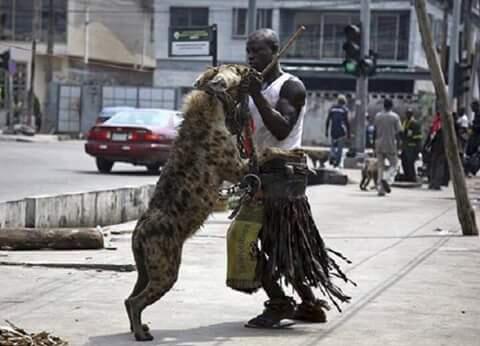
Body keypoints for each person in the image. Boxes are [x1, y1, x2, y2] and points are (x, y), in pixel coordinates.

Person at [240, 28, 351, 329]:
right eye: (248, 51)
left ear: (275, 51)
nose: (250, 56)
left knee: (255, 240)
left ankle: (279, 302)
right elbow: (245, 130)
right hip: (260, 172)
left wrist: (254, 95)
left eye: (257, 51)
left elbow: (281, 130)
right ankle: (310, 304)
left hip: (284, 175)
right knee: (276, 243)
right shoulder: (255, 85)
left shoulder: (291, 86)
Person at [374, 98, 402, 196]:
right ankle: (386, 178)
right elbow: (399, 132)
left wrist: (374, 143)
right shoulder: (395, 117)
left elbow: (375, 130)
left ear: (383, 105)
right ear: (391, 106)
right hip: (390, 144)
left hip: (379, 143)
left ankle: (380, 189)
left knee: (380, 166)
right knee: (395, 164)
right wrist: (399, 145)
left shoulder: (378, 116)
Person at [424, 112, 449, 189]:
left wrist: (427, 145)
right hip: (440, 148)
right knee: (439, 166)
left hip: (435, 148)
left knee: (434, 165)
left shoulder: (436, 123)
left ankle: (433, 183)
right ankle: (436, 183)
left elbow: (431, 136)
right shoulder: (441, 124)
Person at [325, 95, 350, 167]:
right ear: (344, 102)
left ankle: (332, 156)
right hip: (341, 131)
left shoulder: (332, 109)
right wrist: (348, 133)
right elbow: (347, 122)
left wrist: (326, 131)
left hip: (333, 130)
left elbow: (328, 120)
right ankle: (337, 162)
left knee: (333, 146)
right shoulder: (344, 110)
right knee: (340, 148)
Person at [400, 108, 422, 182]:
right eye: (406, 114)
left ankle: (412, 177)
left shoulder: (415, 123)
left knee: (410, 163)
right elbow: (403, 132)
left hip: (412, 147)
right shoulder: (405, 122)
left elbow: (418, 137)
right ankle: (407, 175)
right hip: (405, 146)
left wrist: (411, 137)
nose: (407, 115)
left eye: (408, 114)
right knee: (404, 161)